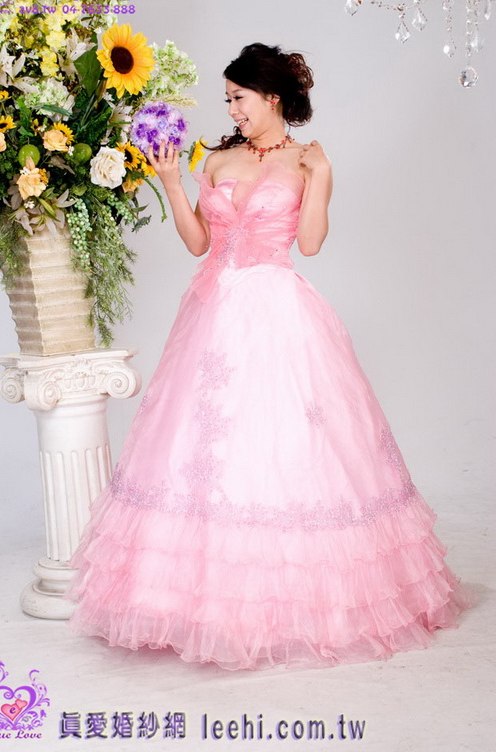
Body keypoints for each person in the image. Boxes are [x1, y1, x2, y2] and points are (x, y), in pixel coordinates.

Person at [65, 42, 475, 671]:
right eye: (228, 99)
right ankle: (194, 600)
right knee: (204, 447)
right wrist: (171, 181)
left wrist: (323, 176)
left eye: (239, 97)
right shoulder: (216, 159)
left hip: (279, 311)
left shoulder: (307, 162)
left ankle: (287, 604)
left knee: (284, 442)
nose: (231, 109)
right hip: (213, 314)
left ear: (273, 96)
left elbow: (309, 244)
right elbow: (199, 243)